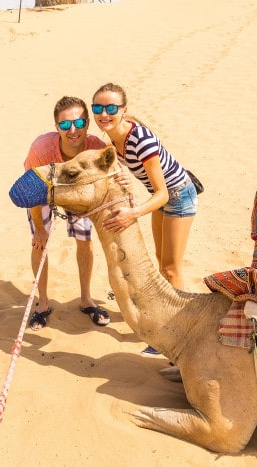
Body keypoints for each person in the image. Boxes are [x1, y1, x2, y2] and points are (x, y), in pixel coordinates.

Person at [91, 83, 198, 356]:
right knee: (161, 262)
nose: (104, 113)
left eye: (111, 108)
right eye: (98, 108)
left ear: (124, 110)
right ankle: (167, 323)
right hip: (159, 197)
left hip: (178, 196)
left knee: (172, 268)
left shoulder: (141, 140)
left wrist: (133, 213)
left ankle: (177, 333)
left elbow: (162, 193)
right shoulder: (111, 140)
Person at [23, 96, 111, 331]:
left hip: (77, 194)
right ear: (57, 128)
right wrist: (40, 230)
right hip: (44, 190)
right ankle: (43, 303)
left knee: (85, 241)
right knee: (39, 244)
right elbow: (32, 189)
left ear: (87, 123)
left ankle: (86, 299)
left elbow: (111, 178)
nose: (73, 130)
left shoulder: (96, 148)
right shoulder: (41, 149)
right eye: (65, 125)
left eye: (79, 123)